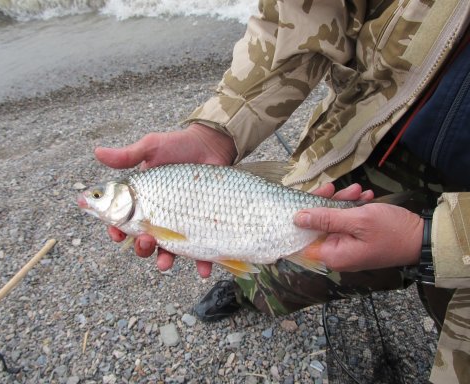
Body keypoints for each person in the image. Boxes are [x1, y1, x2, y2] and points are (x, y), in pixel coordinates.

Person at [94, 1, 470, 383]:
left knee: (450, 305)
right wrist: (216, 132)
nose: (95, 202)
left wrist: (428, 240)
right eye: (99, 197)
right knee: (274, 278)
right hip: (373, 134)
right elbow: (302, 14)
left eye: (99, 197)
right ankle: (250, 285)